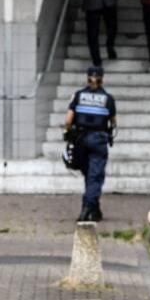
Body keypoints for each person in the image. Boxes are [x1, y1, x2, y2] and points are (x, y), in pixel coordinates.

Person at [63, 64, 117, 223]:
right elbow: (113, 122)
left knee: (89, 174)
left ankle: (95, 208)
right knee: (95, 176)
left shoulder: (78, 96)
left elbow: (68, 120)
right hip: (98, 140)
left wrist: (67, 133)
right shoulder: (108, 99)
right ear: (102, 78)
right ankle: (87, 208)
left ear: (87, 77)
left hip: (80, 139)